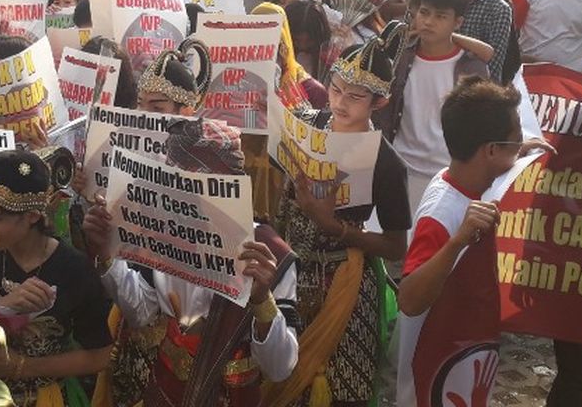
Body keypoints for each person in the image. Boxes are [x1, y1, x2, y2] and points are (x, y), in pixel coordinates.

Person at [85, 42, 299, 407]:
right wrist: (107, 256)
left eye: (202, 183)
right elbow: (141, 312)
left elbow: (280, 368)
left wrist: (263, 302)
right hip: (167, 389)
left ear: (232, 185)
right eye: (180, 177)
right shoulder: (165, 228)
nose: (189, 192)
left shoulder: (268, 254)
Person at [268, 39, 410, 407]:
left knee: (342, 391)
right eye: (335, 90)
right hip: (288, 272)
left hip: (343, 280)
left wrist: (338, 229)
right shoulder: (305, 126)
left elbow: (397, 246)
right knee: (273, 375)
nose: (340, 102)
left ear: (379, 102)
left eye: (355, 97)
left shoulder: (386, 162)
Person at [0, 148, 113, 406]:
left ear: (32, 216)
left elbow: (101, 354)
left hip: (44, 397)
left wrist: (21, 366)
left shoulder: (73, 268)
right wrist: (3, 308)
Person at [396, 78, 523, 407]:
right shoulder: (444, 214)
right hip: (434, 378)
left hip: (467, 361)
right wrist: (455, 243)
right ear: (491, 150)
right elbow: (408, 299)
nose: (521, 149)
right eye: (516, 142)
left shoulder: (460, 177)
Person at [378, 0, 490, 219]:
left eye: (440, 16)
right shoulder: (399, 57)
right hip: (399, 166)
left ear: (457, 22)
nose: (428, 22)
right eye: (424, 13)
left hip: (446, 173)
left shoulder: (471, 66)